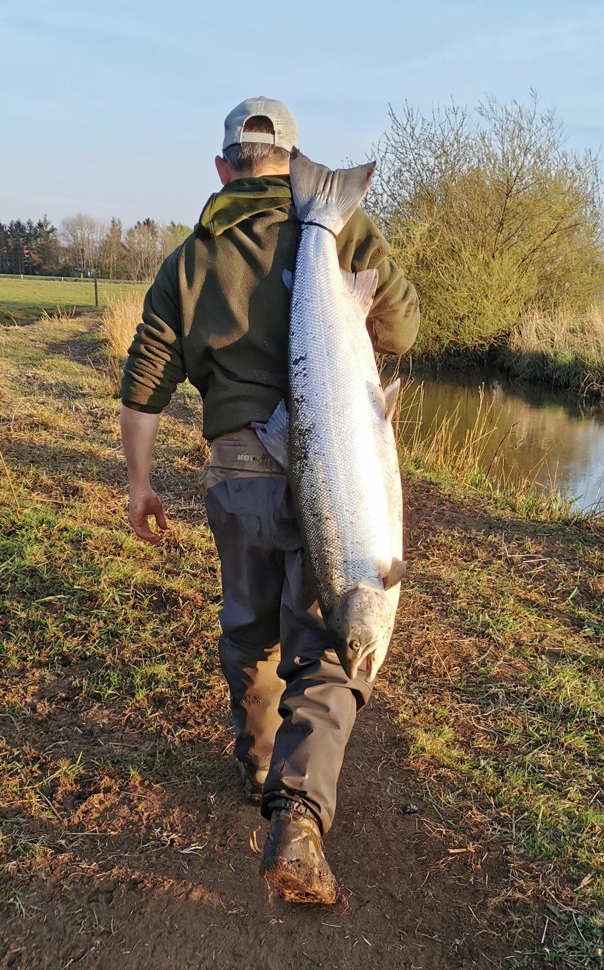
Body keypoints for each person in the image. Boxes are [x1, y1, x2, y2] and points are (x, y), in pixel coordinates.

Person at [120, 96, 420, 905]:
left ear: (224, 169)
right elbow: (401, 332)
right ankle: (297, 814)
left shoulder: (189, 259)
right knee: (329, 644)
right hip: (338, 468)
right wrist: (347, 242)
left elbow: (145, 380)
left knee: (249, 624)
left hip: (236, 475)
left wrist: (140, 484)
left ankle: (258, 762)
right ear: (293, 165)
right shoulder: (340, 226)